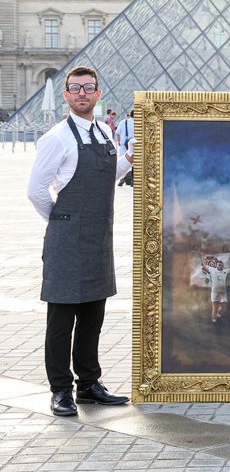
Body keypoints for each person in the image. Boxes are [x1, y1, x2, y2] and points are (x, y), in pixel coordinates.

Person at [26, 66, 133, 416]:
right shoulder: (56, 137)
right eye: (75, 88)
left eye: (89, 87)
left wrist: (129, 159)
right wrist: (61, 220)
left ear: (98, 94)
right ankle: (60, 390)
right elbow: (36, 191)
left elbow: (111, 173)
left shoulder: (104, 131)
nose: (83, 93)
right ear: (67, 96)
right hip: (68, 240)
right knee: (61, 319)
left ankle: (88, 384)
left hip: (98, 237)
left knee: (92, 316)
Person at [114, 110, 135, 187]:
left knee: (123, 162)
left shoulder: (123, 122)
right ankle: (133, 179)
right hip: (134, 146)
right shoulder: (140, 122)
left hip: (123, 145)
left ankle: (122, 179)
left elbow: (117, 133)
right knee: (133, 164)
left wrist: (119, 142)